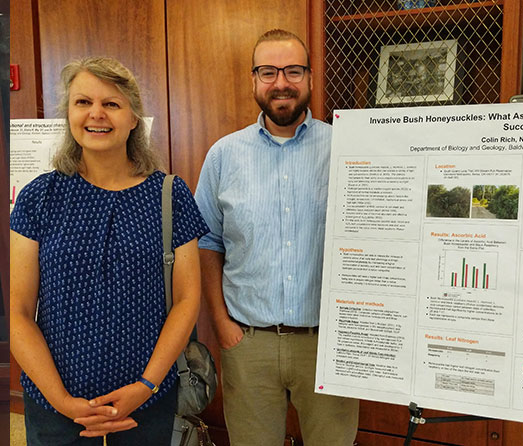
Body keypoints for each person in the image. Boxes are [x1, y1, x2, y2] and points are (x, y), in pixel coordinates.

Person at [10, 56, 209, 445]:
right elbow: (19, 313)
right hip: (55, 406)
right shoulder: (39, 198)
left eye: (112, 104)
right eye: (83, 102)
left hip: (147, 402)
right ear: (68, 113)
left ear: (134, 118)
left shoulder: (170, 196)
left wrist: (145, 385)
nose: (96, 114)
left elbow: (187, 299)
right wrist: (63, 401)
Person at [194, 29, 359, 445]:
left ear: (309, 78)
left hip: (327, 344)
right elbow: (209, 241)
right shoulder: (223, 155)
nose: (281, 83)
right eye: (268, 72)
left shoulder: (348, 147)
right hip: (248, 343)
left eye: (293, 71)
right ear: (253, 80)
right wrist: (220, 322)